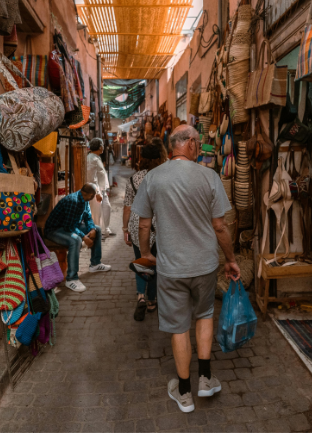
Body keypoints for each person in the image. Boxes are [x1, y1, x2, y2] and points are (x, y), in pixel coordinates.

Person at [131, 125, 240, 413]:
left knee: (179, 327)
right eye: (199, 143)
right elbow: (220, 226)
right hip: (204, 264)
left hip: (171, 268)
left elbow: (143, 224)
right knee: (204, 316)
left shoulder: (153, 178)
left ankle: (183, 392)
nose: (200, 147)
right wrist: (230, 259)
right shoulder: (209, 176)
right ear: (191, 143)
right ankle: (205, 379)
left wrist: (145, 254)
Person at [123, 138, 168, 321]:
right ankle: (151, 301)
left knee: (142, 260)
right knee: (155, 264)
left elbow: (127, 206)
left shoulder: (134, 178)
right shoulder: (165, 176)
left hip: (137, 222)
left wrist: (125, 228)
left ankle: (140, 295)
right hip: (159, 224)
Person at [43, 184, 111, 293]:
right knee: (76, 240)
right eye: (94, 195)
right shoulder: (72, 201)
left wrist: (92, 229)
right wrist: (84, 237)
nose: (95, 196)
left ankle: (95, 263)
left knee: (97, 229)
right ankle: (71, 279)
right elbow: (69, 226)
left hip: (69, 226)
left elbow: (87, 217)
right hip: (55, 230)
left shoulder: (84, 199)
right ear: (89, 195)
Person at [86, 138, 114, 237]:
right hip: (96, 190)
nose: (103, 147)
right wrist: (97, 192)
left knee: (106, 207)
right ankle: (97, 232)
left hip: (102, 189)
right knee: (96, 212)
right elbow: (91, 177)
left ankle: (105, 229)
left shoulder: (96, 157)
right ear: (98, 147)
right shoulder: (92, 159)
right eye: (102, 145)